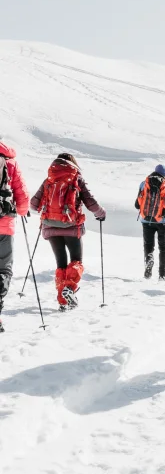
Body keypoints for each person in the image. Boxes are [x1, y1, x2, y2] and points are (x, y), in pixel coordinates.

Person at [30, 153, 106, 311]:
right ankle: (69, 290)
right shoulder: (76, 178)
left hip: (50, 227)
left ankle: (62, 301)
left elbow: (33, 204)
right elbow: (91, 202)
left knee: (61, 263)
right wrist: (101, 213)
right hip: (71, 226)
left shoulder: (49, 179)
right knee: (76, 260)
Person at [0, 140, 31, 332]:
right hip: (4, 226)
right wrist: (21, 210)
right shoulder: (10, 163)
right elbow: (23, 197)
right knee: (3, 269)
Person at [135, 164, 165, 279]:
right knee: (163, 247)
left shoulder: (144, 184)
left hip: (146, 220)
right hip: (162, 221)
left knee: (148, 245)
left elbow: (137, 205)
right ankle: (162, 275)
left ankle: (148, 266)